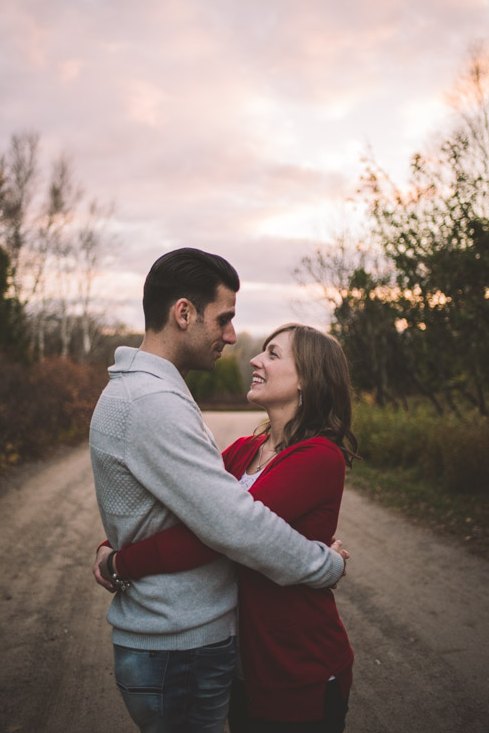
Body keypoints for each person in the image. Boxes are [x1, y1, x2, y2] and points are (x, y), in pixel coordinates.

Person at [90, 248, 349, 733]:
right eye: (225, 319)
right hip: (192, 646)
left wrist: (121, 556)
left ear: (307, 382)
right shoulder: (170, 409)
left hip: (287, 661)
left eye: (272, 353)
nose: (237, 341)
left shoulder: (315, 456)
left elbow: (216, 522)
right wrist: (323, 562)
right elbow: (222, 525)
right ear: (183, 313)